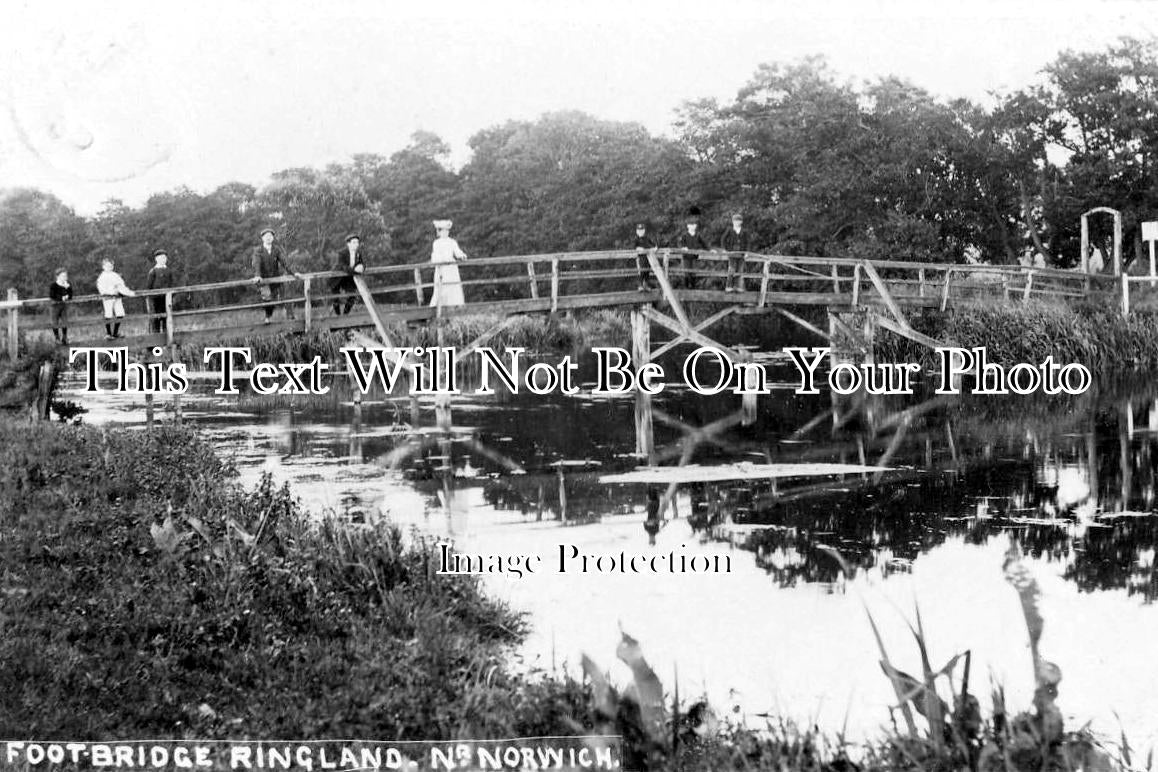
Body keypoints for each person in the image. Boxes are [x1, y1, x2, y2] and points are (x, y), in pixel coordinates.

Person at [251, 227, 301, 323]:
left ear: (273, 238)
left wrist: (294, 272)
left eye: (270, 236)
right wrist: (257, 276)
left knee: (285, 294)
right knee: (267, 297)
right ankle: (267, 318)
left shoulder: (276, 249)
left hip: (275, 278)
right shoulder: (258, 250)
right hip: (263, 279)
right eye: (266, 236)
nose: (268, 238)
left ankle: (290, 317)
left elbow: (285, 262)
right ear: (262, 238)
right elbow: (257, 264)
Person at [96, 258, 136, 340]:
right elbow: (101, 289)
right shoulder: (102, 277)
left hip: (117, 297)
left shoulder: (115, 275)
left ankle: (115, 332)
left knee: (120, 314)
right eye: (107, 266)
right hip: (108, 297)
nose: (109, 267)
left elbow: (122, 286)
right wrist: (111, 291)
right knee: (108, 314)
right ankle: (108, 334)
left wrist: (128, 292)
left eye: (111, 266)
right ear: (103, 266)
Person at [430, 219, 467, 307]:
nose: (446, 232)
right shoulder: (436, 243)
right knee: (442, 287)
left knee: (453, 287)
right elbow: (436, 256)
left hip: (451, 268)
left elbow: (457, 251)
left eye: (447, 230)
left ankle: (454, 306)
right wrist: (441, 261)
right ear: (439, 232)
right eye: (443, 230)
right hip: (442, 268)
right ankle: (439, 307)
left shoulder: (452, 242)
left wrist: (462, 256)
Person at [719, 212, 756, 292]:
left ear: (741, 222)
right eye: (735, 221)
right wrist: (724, 249)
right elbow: (723, 239)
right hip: (732, 252)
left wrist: (747, 252)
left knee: (740, 269)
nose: (736, 222)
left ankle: (738, 287)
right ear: (733, 221)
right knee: (731, 269)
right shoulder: (729, 230)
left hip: (741, 253)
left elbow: (748, 242)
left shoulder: (744, 231)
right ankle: (729, 286)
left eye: (738, 221)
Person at [675, 207, 711, 289]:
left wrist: (710, 250)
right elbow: (679, 243)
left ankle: (693, 287)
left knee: (694, 272)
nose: (693, 226)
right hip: (686, 257)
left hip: (694, 256)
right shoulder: (684, 235)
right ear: (688, 226)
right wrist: (682, 248)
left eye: (694, 225)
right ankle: (686, 287)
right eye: (691, 225)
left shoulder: (698, 235)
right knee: (686, 272)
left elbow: (704, 244)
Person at [331, 234, 365, 315]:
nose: (356, 244)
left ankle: (345, 314)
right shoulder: (342, 253)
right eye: (354, 242)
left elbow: (362, 263)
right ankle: (338, 315)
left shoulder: (358, 253)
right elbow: (343, 267)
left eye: (357, 242)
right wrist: (355, 270)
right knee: (335, 298)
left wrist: (362, 267)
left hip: (348, 278)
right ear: (348, 244)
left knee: (352, 295)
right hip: (337, 278)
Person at [145, 250, 173, 334]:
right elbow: (149, 287)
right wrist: (150, 299)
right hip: (155, 299)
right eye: (161, 258)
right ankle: (155, 337)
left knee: (166, 317)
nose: (163, 260)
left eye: (164, 258)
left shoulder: (168, 270)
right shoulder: (153, 271)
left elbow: (170, 284)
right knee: (155, 318)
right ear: (156, 259)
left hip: (166, 298)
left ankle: (166, 335)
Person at [632, 221, 659, 292]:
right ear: (637, 231)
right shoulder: (636, 239)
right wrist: (638, 248)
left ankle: (646, 285)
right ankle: (640, 285)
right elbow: (634, 247)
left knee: (647, 271)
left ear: (644, 231)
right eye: (639, 230)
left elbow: (654, 246)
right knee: (642, 271)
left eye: (642, 230)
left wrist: (654, 248)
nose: (640, 232)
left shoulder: (647, 238)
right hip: (641, 257)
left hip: (648, 257)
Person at [48, 268, 72, 345]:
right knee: (55, 322)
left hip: (63, 306)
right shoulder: (53, 285)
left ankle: (64, 338)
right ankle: (57, 338)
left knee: (65, 321)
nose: (65, 277)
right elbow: (52, 295)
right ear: (57, 276)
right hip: (55, 306)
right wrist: (61, 298)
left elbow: (70, 295)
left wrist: (68, 289)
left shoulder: (67, 284)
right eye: (63, 276)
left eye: (65, 276)